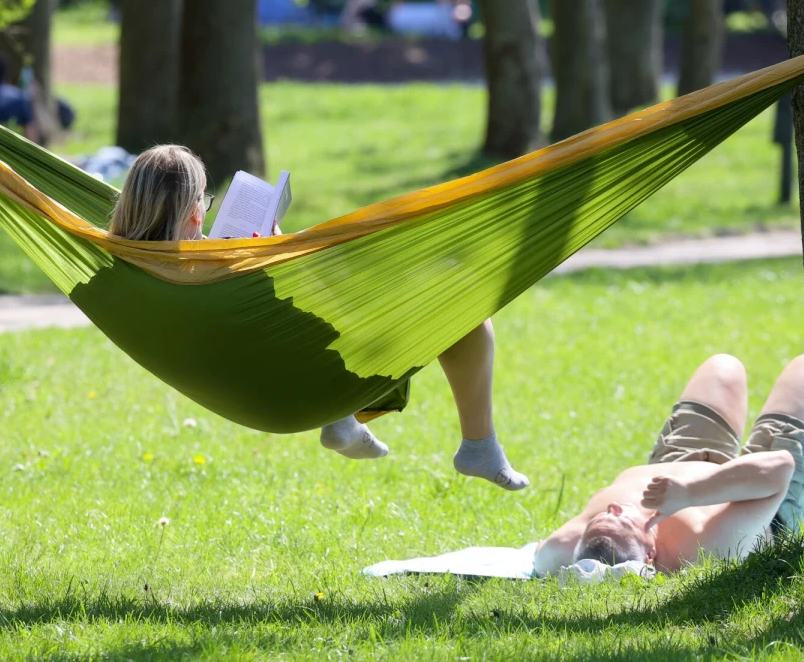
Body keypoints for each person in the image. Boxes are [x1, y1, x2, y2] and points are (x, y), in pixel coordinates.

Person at [107, 144, 530, 491]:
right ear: (196, 214)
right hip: (299, 383)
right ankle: (478, 443)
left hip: (256, 385)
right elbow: (322, 303)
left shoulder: (113, 273)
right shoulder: (218, 268)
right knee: (463, 305)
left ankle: (340, 418)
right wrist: (275, 251)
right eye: (206, 202)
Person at [533, 354, 804, 575]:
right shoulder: (705, 546)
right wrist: (688, 493)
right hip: (761, 496)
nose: (614, 507)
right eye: (623, 520)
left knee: (723, 367)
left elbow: (544, 559)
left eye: (598, 521)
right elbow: (780, 467)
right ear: (650, 555)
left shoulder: (563, 548)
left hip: (679, 458)